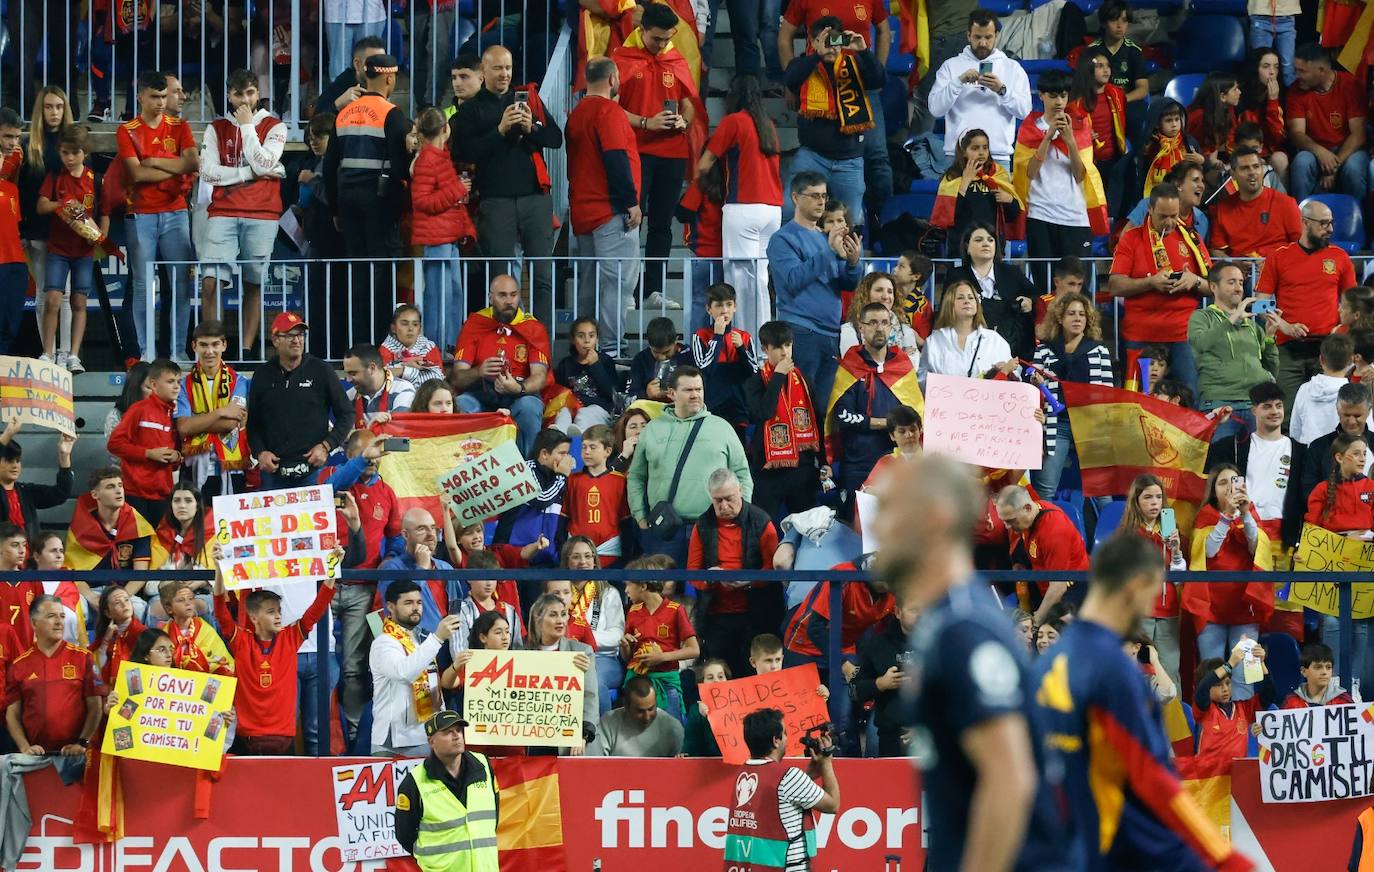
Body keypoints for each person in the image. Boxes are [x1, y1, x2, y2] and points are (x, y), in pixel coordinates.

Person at [869, 455, 1070, 871]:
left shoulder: (964, 631)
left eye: (889, 510)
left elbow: (1010, 779)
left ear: (936, 519)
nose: (873, 526)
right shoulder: (950, 618)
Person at [1033, 534, 1255, 870]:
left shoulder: (1049, 664)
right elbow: (1156, 782)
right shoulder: (1114, 671)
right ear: (1137, 585)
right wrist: (1228, 861)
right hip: (1110, 853)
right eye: (1154, 593)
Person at [453, 45, 562, 306]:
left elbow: (556, 138)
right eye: (498, 68)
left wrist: (531, 129)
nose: (504, 74)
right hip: (495, 202)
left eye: (508, 68)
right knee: (499, 279)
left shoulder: (527, 100)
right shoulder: (471, 110)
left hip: (535, 199)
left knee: (543, 277)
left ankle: (541, 343)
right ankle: (503, 340)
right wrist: (500, 131)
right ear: (483, 72)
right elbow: (464, 152)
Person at [611, 4, 699, 307]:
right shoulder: (621, 58)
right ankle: (628, 291)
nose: (662, 45)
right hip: (636, 152)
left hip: (673, 153)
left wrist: (683, 121)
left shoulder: (675, 58)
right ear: (642, 29)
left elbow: (687, 100)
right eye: (656, 39)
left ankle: (653, 291)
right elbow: (611, 108)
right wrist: (646, 122)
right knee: (633, 221)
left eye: (667, 39)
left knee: (662, 224)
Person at [199, 69, 286, 358]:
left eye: (250, 93)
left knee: (253, 282)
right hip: (222, 211)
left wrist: (248, 127)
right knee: (210, 281)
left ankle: (247, 350)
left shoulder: (275, 125)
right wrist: (250, 173)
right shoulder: (216, 127)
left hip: (262, 213)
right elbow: (209, 172)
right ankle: (213, 350)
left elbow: (265, 161)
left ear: (257, 93)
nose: (245, 100)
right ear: (229, 95)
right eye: (239, 94)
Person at [211, 553, 336, 754]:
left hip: (284, 739)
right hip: (247, 738)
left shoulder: (290, 638)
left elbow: (317, 609)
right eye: (271, 612)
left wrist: (332, 568)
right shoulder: (241, 641)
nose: (279, 616)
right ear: (253, 617)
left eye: (279, 611)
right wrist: (218, 567)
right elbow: (220, 611)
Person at [628, 365, 753, 564]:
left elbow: (742, 474)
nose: (695, 395)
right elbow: (636, 476)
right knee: (663, 592)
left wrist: (739, 514)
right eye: (688, 390)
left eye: (699, 389)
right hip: (665, 530)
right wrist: (641, 517)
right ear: (671, 393)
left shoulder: (722, 427)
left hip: (713, 527)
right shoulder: (652, 429)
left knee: (711, 592)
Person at [117, 71, 197, 360]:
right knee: (142, 285)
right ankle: (146, 352)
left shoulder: (180, 126)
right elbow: (135, 173)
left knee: (180, 285)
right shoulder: (127, 129)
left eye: (164, 96)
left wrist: (153, 161)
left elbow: (192, 162)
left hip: (176, 212)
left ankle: (177, 352)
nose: (161, 102)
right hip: (141, 213)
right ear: (140, 96)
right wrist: (172, 166)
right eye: (155, 96)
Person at [697, 74, 783, 337]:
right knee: (759, 279)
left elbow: (704, 164)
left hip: (743, 207)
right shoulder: (768, 124)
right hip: (772, 211)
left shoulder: (733, 122)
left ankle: (743, 343)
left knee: (737, 280)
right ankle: (762, 343)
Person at [767, 172, 862, 409]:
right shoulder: (782, 239)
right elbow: (792, 280)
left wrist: (853, 263)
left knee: (824, 410)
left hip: (831, 334)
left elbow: (846, 284)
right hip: (802, 332)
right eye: (815, 196)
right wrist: (829, 252)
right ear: (796, 198)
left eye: (824, 195)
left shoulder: (824, 239)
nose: (821, 201)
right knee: (801, 408)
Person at [567, 56, 642, 355]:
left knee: (590, 283)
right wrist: (630, 202)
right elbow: (615, 159)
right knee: (616, 283)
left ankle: (584, 349)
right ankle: (611, 349)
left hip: (584, 211)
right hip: (610, 212)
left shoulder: (576, 113)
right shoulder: (609, 111)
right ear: (612, 79)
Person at [1108, 182, 1212, 397]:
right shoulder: (1131, 238)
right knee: (1141, 402)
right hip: (1141, 335)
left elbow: (1213, 287)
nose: (1169, 222)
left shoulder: (1191, 238)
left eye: (1174, 216)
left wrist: (1194, 280)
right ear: (1150, 210)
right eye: (1163, 216)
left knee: (1188, 398)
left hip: (1183, 334)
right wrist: (1150, 283)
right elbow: (1114, 285)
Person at [782, 17, 884, 235]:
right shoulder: (803, 64)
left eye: (834, 40)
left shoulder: (855, 64)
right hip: (812, 157)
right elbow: (791, 80)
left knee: (850, 222)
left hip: (850, 161)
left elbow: (879, 80)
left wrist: (864, 51)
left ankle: (846, 265)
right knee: (789, 209)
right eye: (824, 40)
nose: (830, 46)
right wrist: (815, 56)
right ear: (813, 41)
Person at [1256, 198, 1357, 416]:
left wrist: (1339, 331)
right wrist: (1284, 326)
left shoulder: (1340, 257)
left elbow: (1353, 304)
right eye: (1323, 223)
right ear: (1305, 222)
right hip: (1287, 350)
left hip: (1328, 351)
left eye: (1331, 223)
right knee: (1288, 416)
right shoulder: (1279, 256)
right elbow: (1259, 303)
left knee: (1330, 415)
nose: (1329, 229)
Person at [1187, 465, 1275, 702]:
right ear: (1213, 490)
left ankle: (1243, 731)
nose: (1229, 487)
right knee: (1212, 673)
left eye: (1233, 481)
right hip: (1211, 608)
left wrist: (1245, 514)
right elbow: (1209, 551)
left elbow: (1256, 547)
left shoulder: (1251, 513)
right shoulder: (1205, 515)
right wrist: (1226, 517)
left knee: (1247, 674)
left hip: (1246, 609)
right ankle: (1214, 731)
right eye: (1222, 482)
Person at [687, 468, 782, 679]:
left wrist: (749, 581)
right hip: (717, 614)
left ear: (740, 490)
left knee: (754, 675)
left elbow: (774, 569)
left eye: (729, 499)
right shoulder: (702, 525)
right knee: (723, 674)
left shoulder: (761, 521)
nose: (724, 506)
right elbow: (693, 572)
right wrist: (710, 579)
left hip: (757, 612)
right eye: (717, 501)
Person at [722, 706, 839, 871]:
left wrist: (808, 776)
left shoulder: (743, 773)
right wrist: (827, 761)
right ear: (775, 740)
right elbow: (833, 805)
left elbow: (778, 797)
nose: (786, 739)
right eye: (784, 734)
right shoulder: (788, 776)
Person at [247, 312, 353, 490]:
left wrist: (326, 446)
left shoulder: (321, 370)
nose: (296, 340)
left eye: (300, 335)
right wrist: (260, 453)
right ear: (275, 340)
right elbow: (254, 423)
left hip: (313, 470)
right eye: (289, 335)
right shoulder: (262, 375)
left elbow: (347, 413)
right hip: (273, 472)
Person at [828, 303, 924, 496]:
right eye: (872, 322)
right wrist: (887, 423)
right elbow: (843, 417)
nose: (879, 328)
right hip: (858, 465)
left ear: (890, 327)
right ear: (861, 327)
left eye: (884, 322)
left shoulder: (902, 365)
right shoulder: (851, 366)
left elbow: (916, 413)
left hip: (898, 463)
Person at [450, 275, 551, 457]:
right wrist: (479, 371)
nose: (509, 301)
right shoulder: (475, 324)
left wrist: (519, 388)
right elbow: (458, 377)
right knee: (462, 404)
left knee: (529, 407)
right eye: (502, 295)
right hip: (480, 393)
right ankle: (466, 472)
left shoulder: (533, 327)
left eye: (513, 295)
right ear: (491, 297)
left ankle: (529, 472)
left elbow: (540, 376)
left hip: (520, 394)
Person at [1013, 69, 1105, 260]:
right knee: (1043, 285)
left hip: (1075, 215)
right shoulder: (1030, 127)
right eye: (1053, 96)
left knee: (1077, 284)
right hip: (1039, 214)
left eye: (1063, 96)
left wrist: (1070, 140)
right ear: (1041, 95)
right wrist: (1047, 137)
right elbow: (1028, 172)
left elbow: (1081, 175)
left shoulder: (1080, 126)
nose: (1059, 102)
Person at [1031, 292, 1114, 498]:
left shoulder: (1099, 350)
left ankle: (1110, 531)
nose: (1077, 318)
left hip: (1090, 426)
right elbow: (1034, 393)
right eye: (1071, 314)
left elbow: (1107, 393)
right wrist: (1035, 384)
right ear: (1060, 317)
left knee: (1102, 492)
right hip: (1055, 425)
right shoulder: (1044, 351)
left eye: (1082, 314)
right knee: (1046, 490)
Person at [393, 710, 500, 870]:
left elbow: (494, 818)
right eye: (447, 732)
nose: (456, 736)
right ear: (431, 741)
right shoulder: (414, 782)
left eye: (458, 730)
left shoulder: (484, 766)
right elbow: (405, 835)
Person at [928, 10, 1031, 173]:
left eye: (988, 37)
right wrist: (958, 82)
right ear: (968, 35)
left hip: (997, 156)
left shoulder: (1012, 68)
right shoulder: (951, 66)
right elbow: (935, 109)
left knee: (998, 200)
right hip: (957, 156)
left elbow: (1025, 112)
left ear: (996, 35)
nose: (983, 43)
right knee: (954, 200)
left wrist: (1002, 90)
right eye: (977, 37)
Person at [34, 123, 101, 372]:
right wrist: (62, 204)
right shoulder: (54, 177)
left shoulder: (95, 180)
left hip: (84, 252)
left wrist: (100, 237)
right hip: (58, 249)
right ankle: (47, 353)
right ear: (60, 152)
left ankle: (73, 355)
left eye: (75, 152)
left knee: (79, 302)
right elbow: (41, 206)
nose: (70, 158)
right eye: (65, 153)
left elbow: (103, 212)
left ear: (85, 152)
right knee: (52, 298)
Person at [1188, 261, 1280, 441]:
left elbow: (1272, 369)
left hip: (1255, 406)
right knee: (1220, 463)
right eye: (1231, 282)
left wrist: (1269, 337)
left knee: (1254, 466)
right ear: (1213, 287)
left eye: (1240, 282)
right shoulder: (1202, 317)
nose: (1238, 288)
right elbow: (1200, 343)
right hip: (1220, 405)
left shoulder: (1253, 326)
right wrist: (1232, 320)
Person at [744, 320, 828, 519]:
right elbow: (763, 413)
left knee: (806, 529)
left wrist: (825, 461)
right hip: (768, 470)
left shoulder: (804, 380)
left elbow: (818, 419)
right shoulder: (755, 381)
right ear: (765, 348)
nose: (785, 352)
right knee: (764, 530)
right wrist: (778, 377)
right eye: (778, 347)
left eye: (788, 345)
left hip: (802, 468)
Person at [409, 108, 476, 353]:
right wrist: (457, 189)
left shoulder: (439, 157)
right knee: (439, 297)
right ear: (445, 128)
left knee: (453, 294)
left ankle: (449, 345)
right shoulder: (428, 159)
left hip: (449, 238)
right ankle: (436, 348)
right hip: (437, 240)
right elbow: (423, 202)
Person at [371, 580, 464, 757]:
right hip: (393, 741)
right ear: (390, 606)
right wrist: (437, 639)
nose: (416, 608)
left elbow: (432, 684)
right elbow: (403, 673)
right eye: (408, 603)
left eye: (419, 602)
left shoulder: (421, 639)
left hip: (426, 735)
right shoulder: (384, 643)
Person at [5, 596, 100, 764]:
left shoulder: (84, 658)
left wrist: (82, 742)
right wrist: (25, 747)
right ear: (34, 624)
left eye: (62, 616)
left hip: (77, 757)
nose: (59, 622)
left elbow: (96, 706)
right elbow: (12, 714)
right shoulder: (19, 665)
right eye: (51, 616)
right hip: (36, 759)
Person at [996, 485, 1092, 624]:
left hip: (1072, 590)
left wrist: (1036, 623)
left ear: (1027, 508)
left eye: (1011, 521)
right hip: (1044, 583)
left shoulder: (1054, 531)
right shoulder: (1029, 517)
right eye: (1004, 521)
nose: (1008, 527)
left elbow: (1058, 587)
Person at [175, 320, 249, 498]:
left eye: (215, 344)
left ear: (224, 345)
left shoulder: (238, 381)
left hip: (231, 468)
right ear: (194, 346)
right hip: (195, 467)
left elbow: (231, 424)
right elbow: (183, 427)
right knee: (198, 524)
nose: (209, 351)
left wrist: (197, 420)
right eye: (203, 345)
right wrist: (220, 412)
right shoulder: (184, 384)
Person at [1286, 43, 1367, 201]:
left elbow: (1359, 135)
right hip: (1315, 150)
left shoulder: (1350, 85)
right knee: (1302, 163)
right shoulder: (1295, 91)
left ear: (1322, 71)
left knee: (1354, 168)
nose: (1296, 75)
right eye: (1296, 70)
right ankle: (1300, 220)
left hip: (1350, 150)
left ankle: (1361, 220)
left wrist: (1333, 168)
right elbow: (1296, 133)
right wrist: (1319, 151)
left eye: (1302, 71)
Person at [621, 561, 700, 721]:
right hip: (638, 682)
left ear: (642, 586)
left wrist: (662, 657)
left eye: (629, 585)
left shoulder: (675, 610)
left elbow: (694, 650)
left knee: (673, 732)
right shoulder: (633, 611)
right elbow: (628, 658)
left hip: (666, 681)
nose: (626, 590)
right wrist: (625, 646)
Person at [943, 223, 1036, 359]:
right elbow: (946, 312)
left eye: (990, 240)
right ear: (967, 247)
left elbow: (1035, 295)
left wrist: (1029, 302)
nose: (986, 243)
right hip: (967, 350)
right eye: (979, 240)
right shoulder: (955, 276)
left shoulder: (1012, 273)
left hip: (1011, 349)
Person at [106, 358, 181, 526]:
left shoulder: (173, 415)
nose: (176, 386)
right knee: (139, 547)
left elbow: (173, 459)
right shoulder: (138, 410)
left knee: (160, 547)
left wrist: (176, 456)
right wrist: (149, 453)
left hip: (163, 492)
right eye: (170, 381)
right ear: (154, 385)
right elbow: (114, 444)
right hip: (136, 493)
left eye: (178, 381)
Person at [524, 592, 599, 753]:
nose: (560, 620)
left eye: (563, 614)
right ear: (538, 620)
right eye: (553, 615)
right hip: (530, 740)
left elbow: (590, 696)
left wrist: (583, 734)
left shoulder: (582, 652)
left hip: (566, 743)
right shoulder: (521, 653)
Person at [849, 592, 915, 757]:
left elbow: (953, 692)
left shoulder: (938, 642)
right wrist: (880, 684)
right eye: (914, 609)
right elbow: (854, 690)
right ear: (898, 612)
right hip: (890, 735)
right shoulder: (878, 645)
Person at [1207, 146, 1302, 259]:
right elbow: (1216, 250)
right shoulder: (1223, 208)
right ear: (1233, 174)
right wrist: (1233, 264)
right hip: (1241, 272)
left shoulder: (1286, 203)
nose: (1252, 172)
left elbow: (1301, 245)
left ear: (1262, 170)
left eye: (1256, 167)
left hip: (1278, 268)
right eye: (1245, 168)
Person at [932, 128, 1022, 246]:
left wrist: (1010, 200)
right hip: (961, 247)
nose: (981, 152)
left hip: (991, 247)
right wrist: (965, 182)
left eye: (985, 147)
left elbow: (1011, 217)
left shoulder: (998, 176)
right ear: (963, 151)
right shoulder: (952, 177)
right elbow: (947, 217)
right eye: (975, 148)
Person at [917, 280, 1015, 386]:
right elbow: (922, 380)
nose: (967, 301)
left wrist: (1004, 371)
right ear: (949, 304)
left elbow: (1013, 379)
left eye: (971, 297)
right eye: (960, 298)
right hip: (947, 401)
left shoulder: (994, 340)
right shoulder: (934, 341)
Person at [1193, 645, 1275, 765]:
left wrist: (1261, 663)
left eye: (1227, 683)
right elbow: (1203, 688)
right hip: (1209, 779)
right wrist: (1229, 664)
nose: (1225, 689)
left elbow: (1270, 693)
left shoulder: (1244, 709)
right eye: (1218, 685)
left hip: (1236, 776)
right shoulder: (1204, 708)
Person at [565, 425, 632, 566]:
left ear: (607, 451)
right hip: (577, 553)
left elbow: (626, 521)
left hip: (610, 551)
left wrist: (627, 555)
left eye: (593, 447)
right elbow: (564, 518)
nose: (586, 452)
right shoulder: (572, 480)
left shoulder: (620, 481)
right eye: (584, 447)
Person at [0, 423, 74, 537]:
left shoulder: (26, 491)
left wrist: (64, 456)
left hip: (30, 554)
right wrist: (7, 434)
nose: (15, 465)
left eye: (18, 460)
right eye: (8, 460)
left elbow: (61, 493)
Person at [1290, 333, 1357, 446]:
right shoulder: (1355, 394)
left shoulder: (1304, 389)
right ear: (1351, 361)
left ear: (1321, 359)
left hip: (1308, 455)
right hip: (1343, 457)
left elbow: (1295, 431)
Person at [593, 676, 684, 756]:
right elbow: (597, 763)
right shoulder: (609, 723)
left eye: (651, 709)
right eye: (640, 711)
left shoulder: (672, 727)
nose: (647, 716)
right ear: (627, 706)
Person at [554, 319, 620, 431]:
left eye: (591, 336)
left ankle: (578, 445)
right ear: (573, 339)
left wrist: (595, 365)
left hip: (598, 409)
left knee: (584, 415)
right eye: (581, 336)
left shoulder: (605, 361)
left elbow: (612, 393)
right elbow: (559, 393)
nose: (587, 341)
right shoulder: (566, 364)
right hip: (573, 407)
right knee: (563, 414)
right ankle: (560, 441)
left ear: (597, 338)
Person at [343, 343, 417, 427]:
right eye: (347, 373)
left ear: (372, 368)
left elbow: (398, 430)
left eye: (353, 373)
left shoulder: (403, 390)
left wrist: (369, 429)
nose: (348, 380)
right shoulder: (350, 396)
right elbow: (344, 435)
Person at [315, 35, 387, 113]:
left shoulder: (386, 82)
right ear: (357, 64)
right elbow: (317, 120)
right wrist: (338, 104)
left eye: (381, 62)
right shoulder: (342, 84)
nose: (378, 68)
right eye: (372, 62)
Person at [382, 305, 447, 391]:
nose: (410, 328)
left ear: (420, 328)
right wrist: (405, 366)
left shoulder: (429, 347)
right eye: (404, 324)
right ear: (393, 328)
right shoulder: (386, 349)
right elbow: (380, 378)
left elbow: (439, 378)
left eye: (415, 324)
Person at [1280, 643, 1352, 708]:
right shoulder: (1291, 702)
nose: (1324, 672)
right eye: (1318, 667)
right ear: (1304, 671)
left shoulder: (1344, 701)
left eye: (1328, 667)